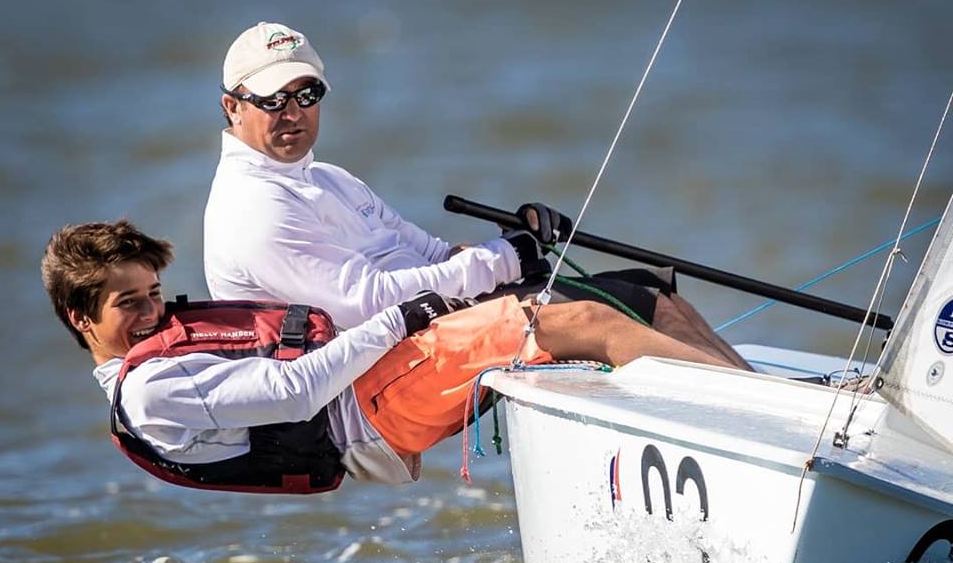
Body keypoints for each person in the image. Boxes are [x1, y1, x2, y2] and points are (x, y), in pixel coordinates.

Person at [43, 221, 743, 492]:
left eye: (154, 294)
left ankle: (753, 397)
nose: (152, 314)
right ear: (82, 319)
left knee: (634, 292)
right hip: (371, 412)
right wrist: (400, 318)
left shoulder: (161, 353)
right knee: (584, 321)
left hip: (376, 382)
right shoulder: (149, 393)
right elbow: (293, 392)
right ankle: (745, 422)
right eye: (128, 304)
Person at [203, 21, 749, 370]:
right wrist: (502, 260)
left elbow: (434, 255)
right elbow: (367, 304)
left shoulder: (328, 179)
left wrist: (513, 241)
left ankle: (763, 402)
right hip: (380, 366)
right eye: (273, 100)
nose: (293, 113)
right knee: (595, 320)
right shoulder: (254, 207)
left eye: (307, 94)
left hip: (433, 323)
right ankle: (748, 411)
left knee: (646, 292)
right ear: (233, 107)